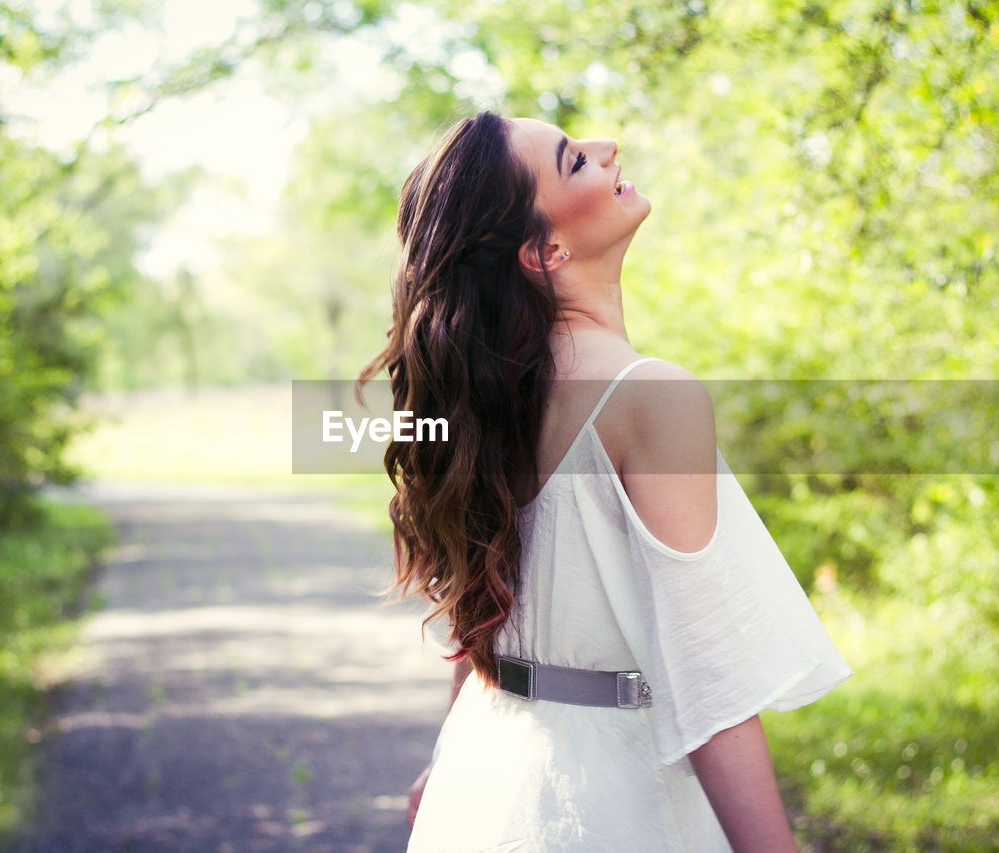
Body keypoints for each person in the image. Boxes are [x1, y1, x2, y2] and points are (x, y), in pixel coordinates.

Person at [356, 111, 853, 852]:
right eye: (574, 161)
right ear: (544, 249)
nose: (607, 147)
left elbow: (482, 603)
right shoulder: (652, 396)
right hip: (613, 798)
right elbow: (707, 673)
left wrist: (442, 757)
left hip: (486, 776)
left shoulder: (489, 398)